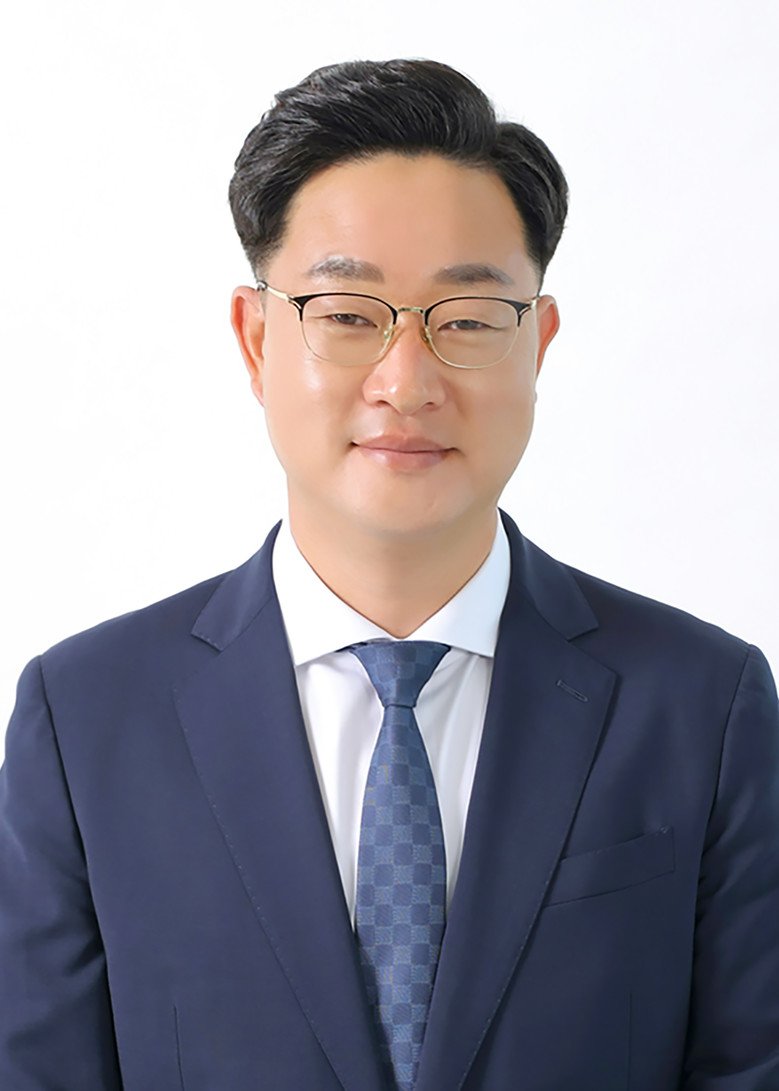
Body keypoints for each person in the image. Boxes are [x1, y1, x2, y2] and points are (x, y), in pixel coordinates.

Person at [1, 57, 778, 1091]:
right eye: (347, 312)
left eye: (466, 319)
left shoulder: (702, 703)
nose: (405, 381)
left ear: (536, 345)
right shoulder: (87, 717)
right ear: (255, 338)